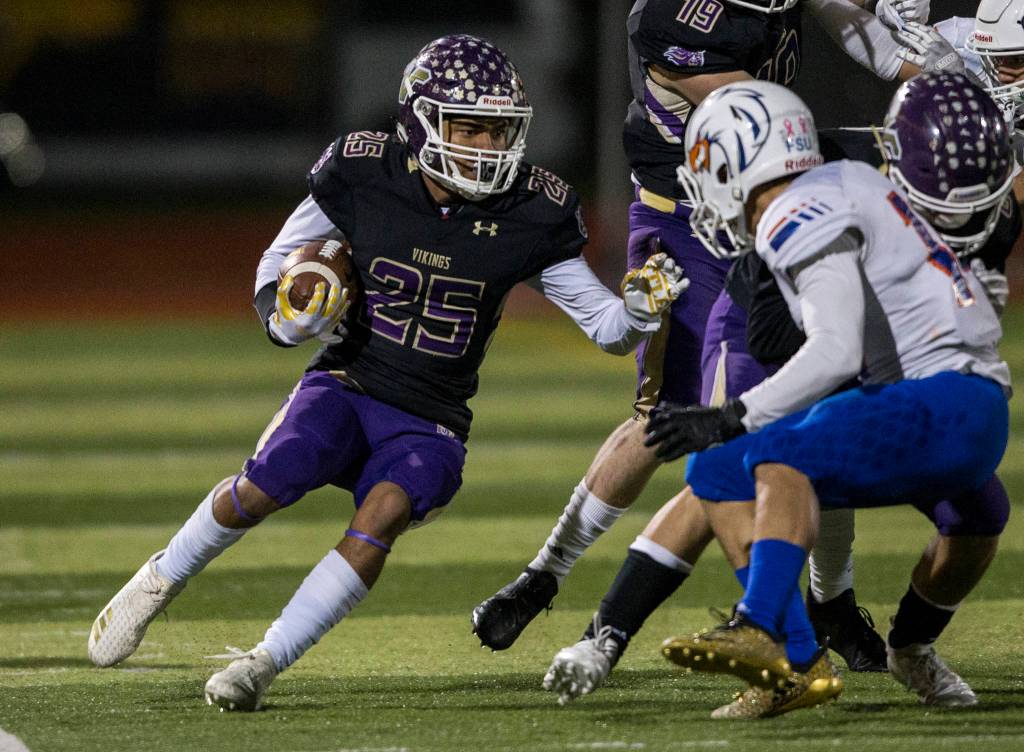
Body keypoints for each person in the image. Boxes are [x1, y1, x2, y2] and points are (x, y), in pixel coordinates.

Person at [85, 34, 687, 712]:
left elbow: (607, 330)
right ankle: (160, 577)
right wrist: (294, 320)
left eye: (500, 131)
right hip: (348, 382)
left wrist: (638, 311)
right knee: (267, 483)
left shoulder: (531, 212)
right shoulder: (360, 172)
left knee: (385, 513)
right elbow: (274, 274)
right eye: (470, 128)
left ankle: (262, 663)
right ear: (421, 122)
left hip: (432, 419)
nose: (488, 147)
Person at [472, 0, 957, 669]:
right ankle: (547, 572)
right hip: (690, 225)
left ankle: (831, 604)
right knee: (666, 420)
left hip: (772, 207)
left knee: (818, 403)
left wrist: (934, 58)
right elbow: (760, 121)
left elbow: (877, 48)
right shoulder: (670, 19)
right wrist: (908, 133)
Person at [644, 73, 1013, 717]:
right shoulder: (832, 183)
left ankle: (905, 648)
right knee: (745, 464)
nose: (962, 216)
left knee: (979, 518)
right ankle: (789, 647)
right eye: (941, 199)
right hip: (822, 352)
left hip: (924, 388)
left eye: (977, 201)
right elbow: (790, 331)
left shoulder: (993, 209)